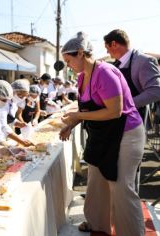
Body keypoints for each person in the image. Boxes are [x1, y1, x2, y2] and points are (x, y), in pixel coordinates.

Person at [59, 32, 145, 236]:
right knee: (96, 182)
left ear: (81, 53)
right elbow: (89, 110)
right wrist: (72, 124)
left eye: (68, 60)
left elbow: (115, 111)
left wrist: (76, 115)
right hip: (102, 136)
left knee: (121, 187)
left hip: (126, 133)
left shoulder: (105, 72)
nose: (68, 65)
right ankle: (98, 226)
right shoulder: (81, 79)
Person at [103, 29, 160, 121]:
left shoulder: (144, 61)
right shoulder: (116, 64)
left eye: (107, 48)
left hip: (135, 119)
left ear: (114, 44)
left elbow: (155, 91)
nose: (107, 52)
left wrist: (124, 105)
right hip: (117, 120)